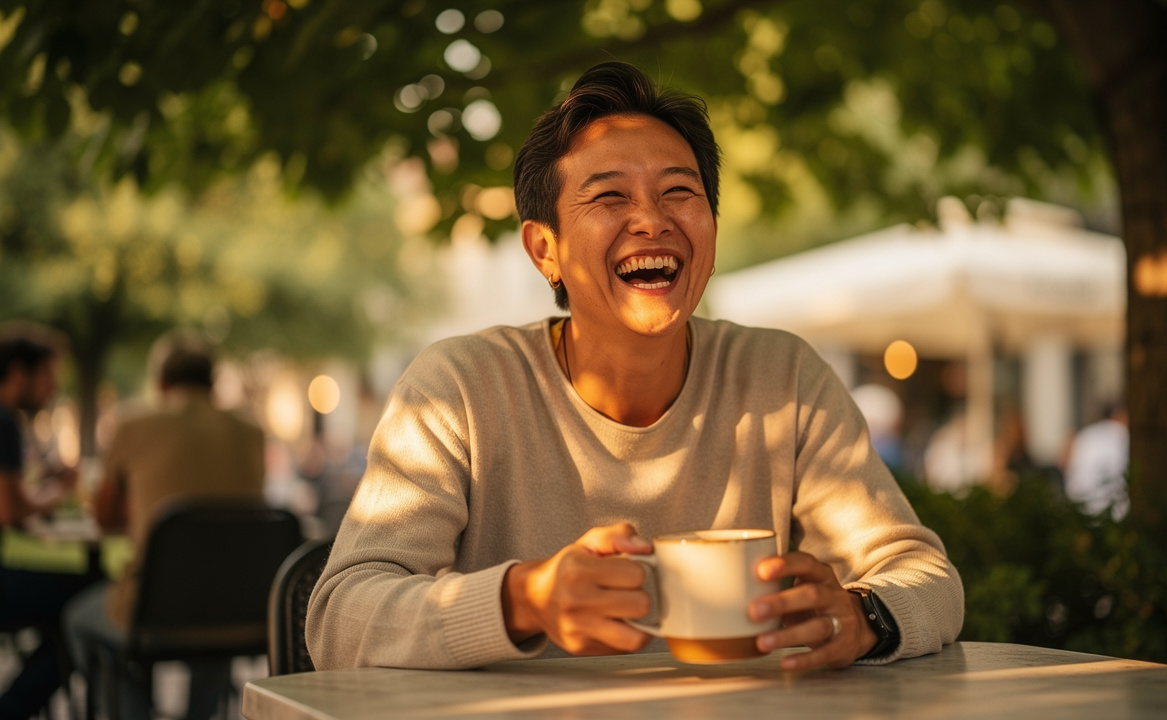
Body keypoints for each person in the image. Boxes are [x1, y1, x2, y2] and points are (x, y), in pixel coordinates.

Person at [307, 62, 963, 673]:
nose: (652, 219)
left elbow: (922, 574)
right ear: (545, 250)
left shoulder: (782, 379)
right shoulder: (458, 389)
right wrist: (524, 599)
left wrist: (866, 617)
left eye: (680, 191)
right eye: (609, 197)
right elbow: (340, 618)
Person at [63, 335, 265, 720]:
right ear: (212, 384)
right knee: (211, 615)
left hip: (154, 610)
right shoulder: (251, 431)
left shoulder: (133, 425)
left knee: (76, 619)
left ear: (161, 385)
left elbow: (104, 518)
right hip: (238, 609)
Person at [0, 328, 96, 720]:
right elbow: (10, 510)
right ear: (19, 372)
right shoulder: (3, 421)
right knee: (88, 602)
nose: (53, 388)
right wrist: (61, 490)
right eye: (48, 376)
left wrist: (44, 487)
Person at [1063, 404, 1129, 519]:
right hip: (1118, 517)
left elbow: (1069, 470)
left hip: (1084, 513)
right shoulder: (1123, 435)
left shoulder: (1085, 436)